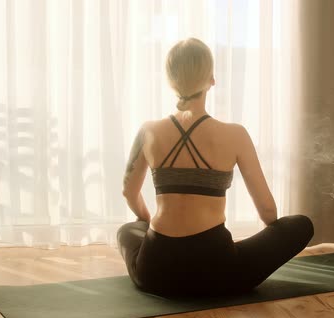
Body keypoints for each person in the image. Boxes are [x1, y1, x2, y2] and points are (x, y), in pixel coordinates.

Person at [117, 38, 313, 297]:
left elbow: (129, 193)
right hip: (218, 273)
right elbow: (268, 212)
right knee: (300, 225)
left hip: (155, 272)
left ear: (171, 81)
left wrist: (149, 223)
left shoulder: (148, 131)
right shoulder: (235, 135)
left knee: (127, 231)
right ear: (211, 79)